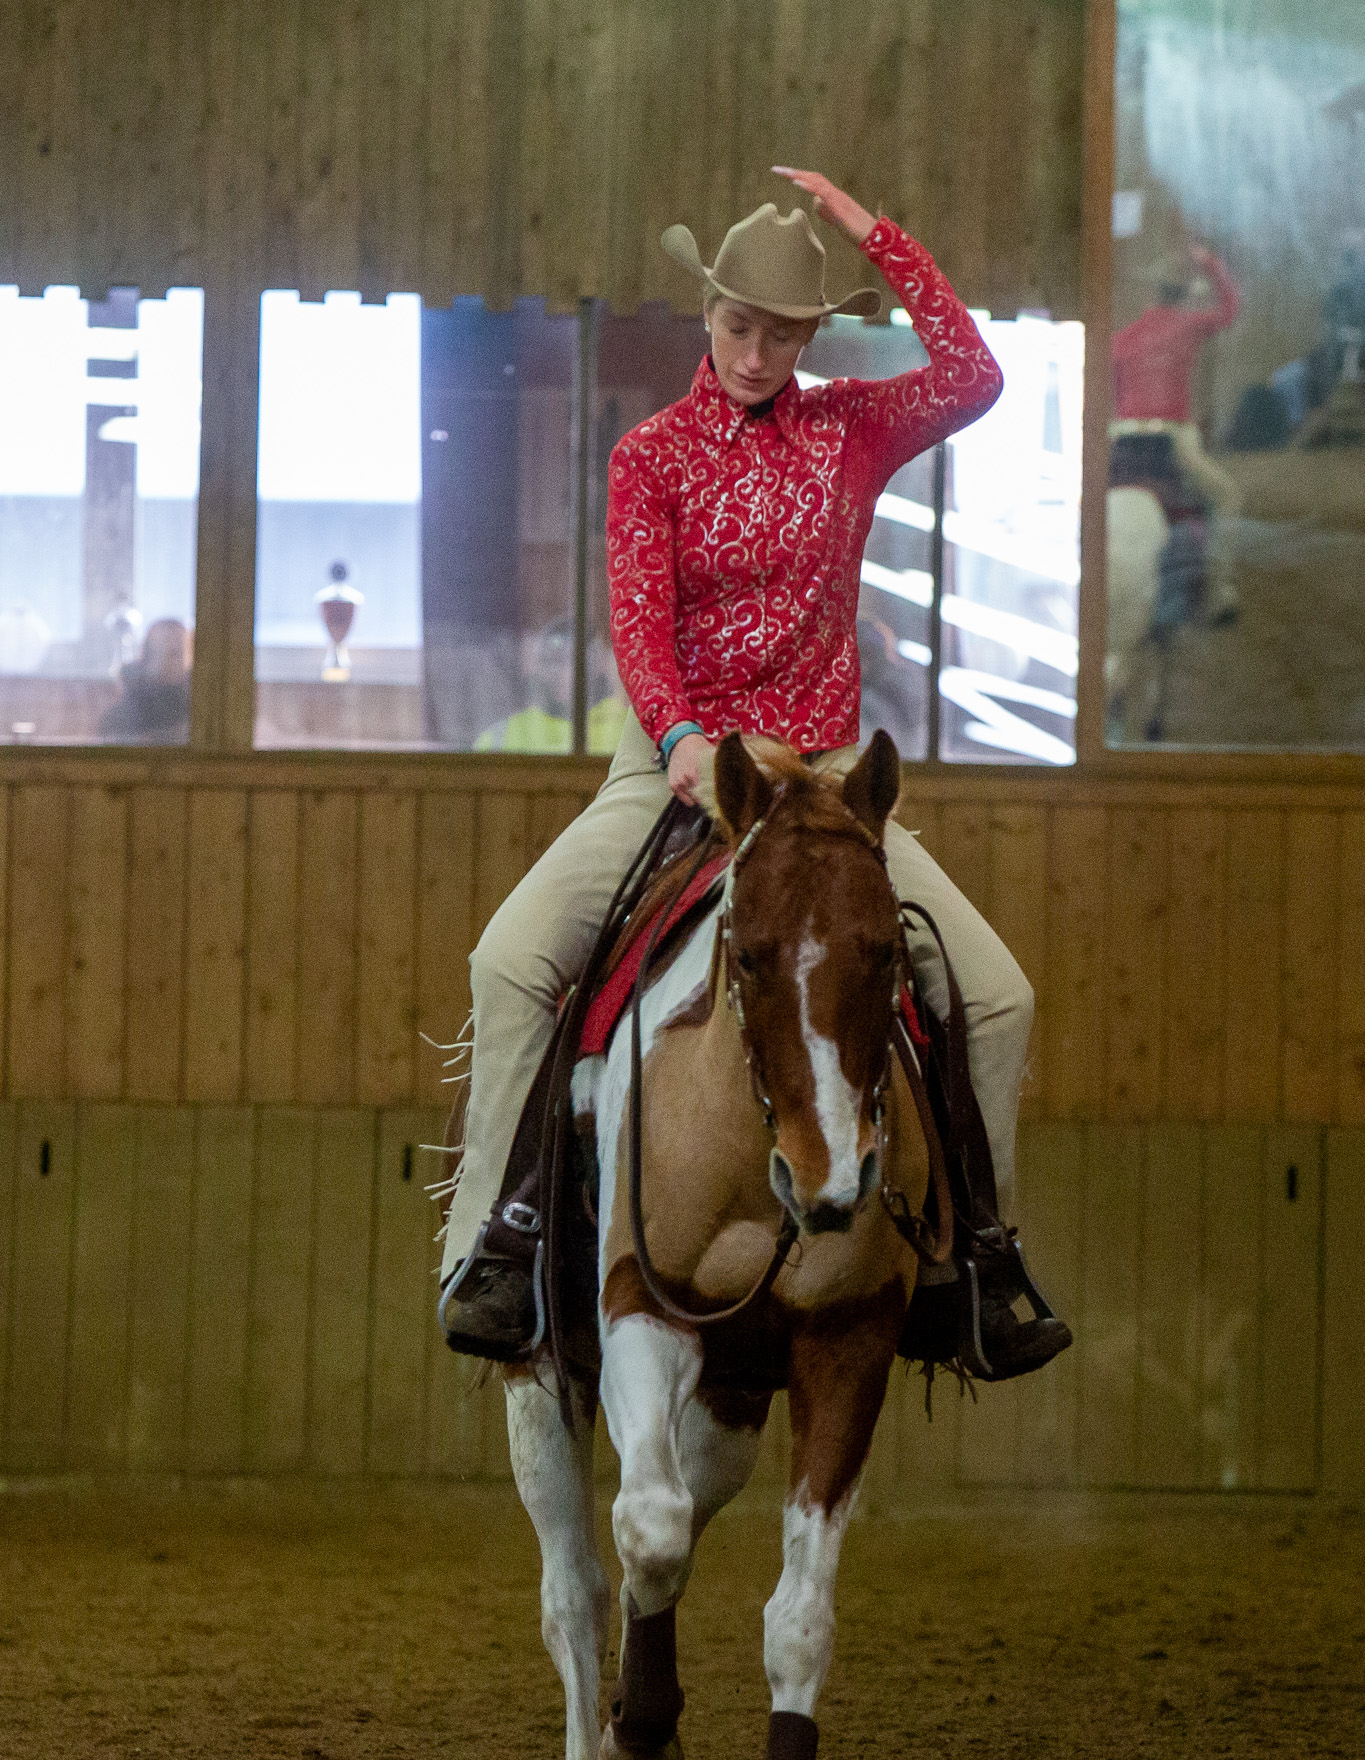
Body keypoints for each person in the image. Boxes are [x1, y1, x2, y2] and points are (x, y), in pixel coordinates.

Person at [440, 168, 1065, 1374]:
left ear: (811, 337)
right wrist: (679, 737)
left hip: (824, 785)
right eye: (739, 325)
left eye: (782, 333)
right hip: (680, 765)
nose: (756, 352)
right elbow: (640, 618)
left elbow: (974, 376)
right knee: (510, 961)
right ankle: (498, 1242)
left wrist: (875, 236)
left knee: (998, 997)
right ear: (709, 311)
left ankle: (976, 1259)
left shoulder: (852, 428)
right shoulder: (652, 455)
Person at [1110, 243, 1242, 621]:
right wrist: (1213, 264)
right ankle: (1217, 592)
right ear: (1182, 296)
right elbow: (1230, 310)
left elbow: (1116, 396)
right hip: (1173, 437)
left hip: (1124, 435)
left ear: (1150, 296)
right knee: (1227, 497)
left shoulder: (1123, 339)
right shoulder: (1188, 325)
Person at [96, 617, 192, 743]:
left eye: (177, 652)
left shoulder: (200, 702)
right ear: (147, 656)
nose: (170, 661)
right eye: (158, 650)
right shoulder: (126, 712)